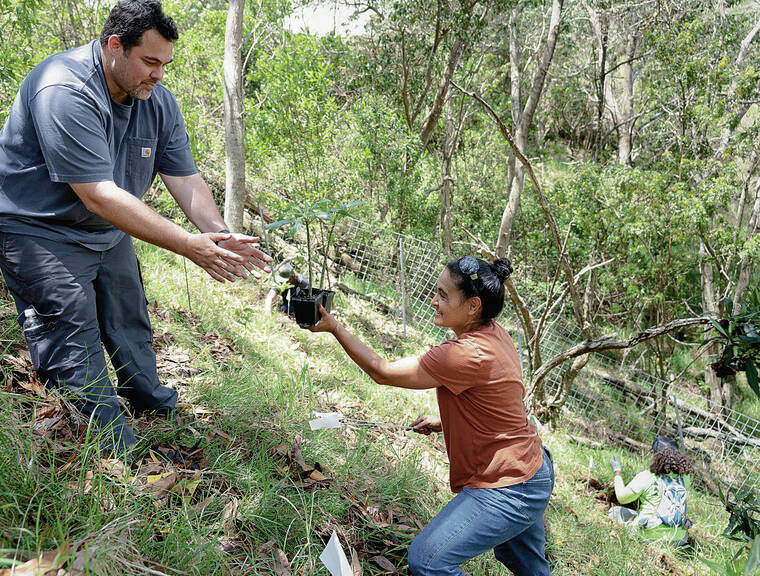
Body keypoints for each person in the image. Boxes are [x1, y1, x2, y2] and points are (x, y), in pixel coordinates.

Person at [0, 0, 271, 456]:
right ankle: (117, 453)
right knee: (72, 334)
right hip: (37, 230)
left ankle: (154, 405)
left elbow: (184, 178)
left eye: (165, 64)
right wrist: (188, 245)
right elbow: (98, 193)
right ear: (114, 47)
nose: (158, 75)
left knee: (129, 322)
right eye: (149, 62)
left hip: (106, 232)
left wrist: (219, 235)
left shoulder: (157, 101)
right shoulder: (63, 88)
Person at [302, 255, 554, 576]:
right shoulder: (496, 333)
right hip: (534, 467)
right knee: (526, 564)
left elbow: (382, 371)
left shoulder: (462, 353)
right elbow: (499, 396)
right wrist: (445, 421)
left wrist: (335, 327)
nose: (433, 301)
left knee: (428, 561)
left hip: (510, 485)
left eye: (443, 296)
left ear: (473, 306)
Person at [608, 441, 693, 546]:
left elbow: (622, 498)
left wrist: (617, 471)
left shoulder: (647, 476)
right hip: (679, 539)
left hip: (650, 537)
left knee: (615, 511)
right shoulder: (685, 479)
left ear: (657, 457)